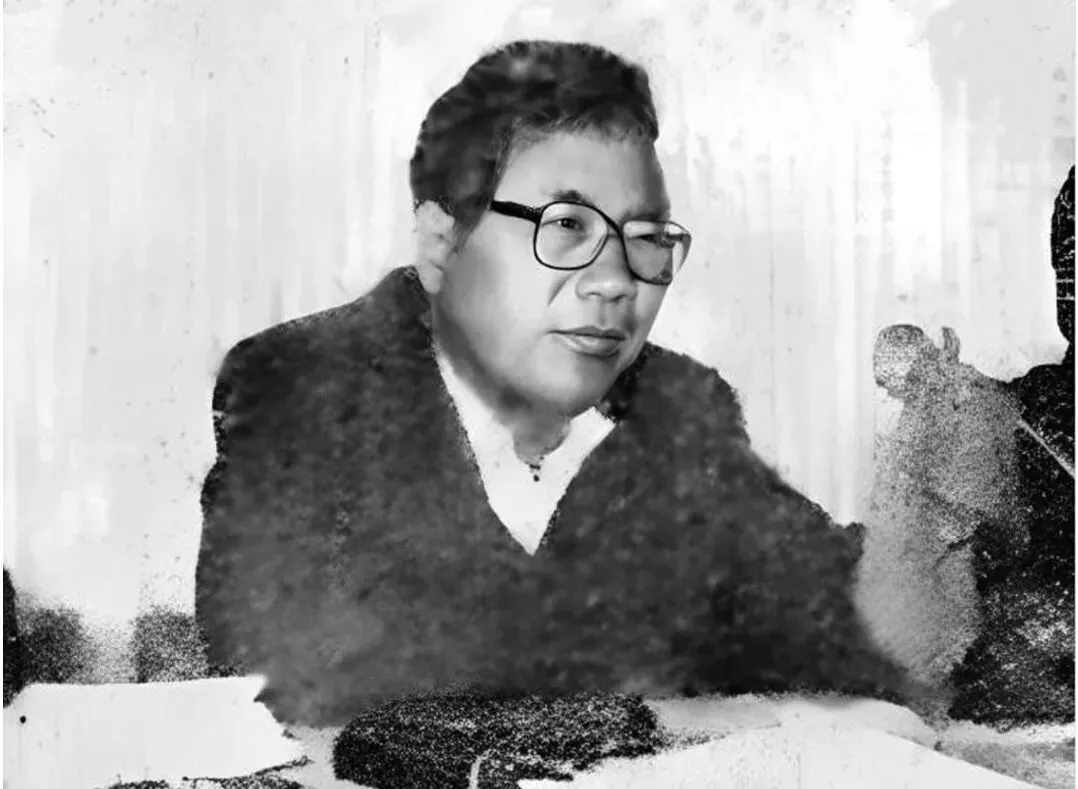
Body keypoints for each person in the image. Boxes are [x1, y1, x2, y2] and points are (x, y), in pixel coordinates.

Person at [196, 39, 912, 727]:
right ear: (442, 241)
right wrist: (678, 705)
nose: (615, 282)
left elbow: (853, 625)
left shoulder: (681, 404)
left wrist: (934, 494)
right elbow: (284, 682)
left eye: (645, 238)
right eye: (567, 225)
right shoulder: (301, 383)